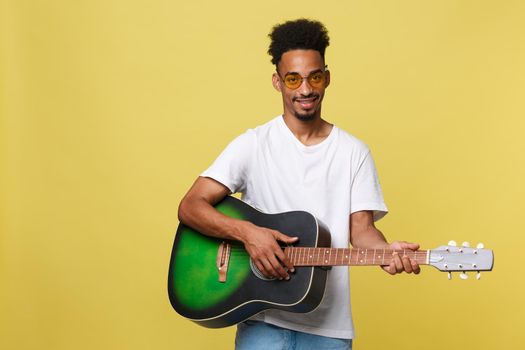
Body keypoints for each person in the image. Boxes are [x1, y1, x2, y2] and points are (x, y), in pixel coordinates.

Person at [177, 18, 420, 350]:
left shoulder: (353, 152)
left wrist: (385, 252)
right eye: (294, 79)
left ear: (327, 78)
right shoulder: (253, 144)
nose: (306, 89)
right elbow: (191, 206)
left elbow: (361, 232)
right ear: (278, 82)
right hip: (262, 321)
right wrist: (248, 234)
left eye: (314, 77)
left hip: (329, 330)